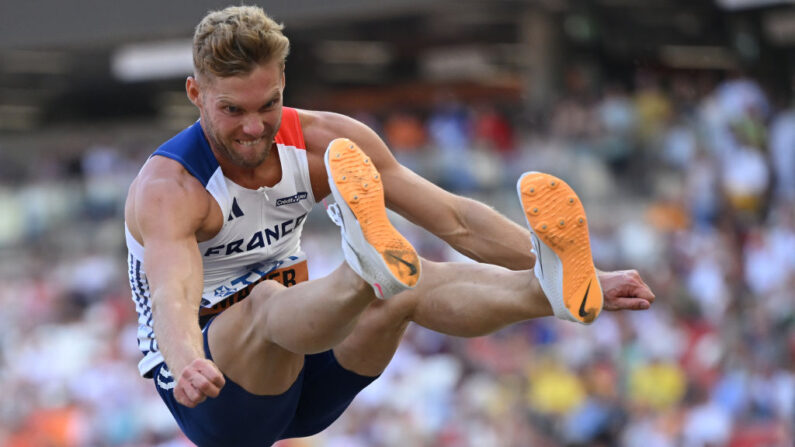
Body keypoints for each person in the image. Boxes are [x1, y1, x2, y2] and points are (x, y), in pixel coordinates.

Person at [123, 5, 655, 446]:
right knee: (265, 302)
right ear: (195, 95)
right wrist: (187, 360)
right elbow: (172, 293)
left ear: (284, 79)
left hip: (312, 373)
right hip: (221, 399)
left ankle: (552, 286)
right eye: (232, 110)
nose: (254, 126)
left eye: (268, 104)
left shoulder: (326, 142)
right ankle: (362, 268)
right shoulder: (172, 189)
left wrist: (594, 277)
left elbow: (456, 220)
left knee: (405, 284)